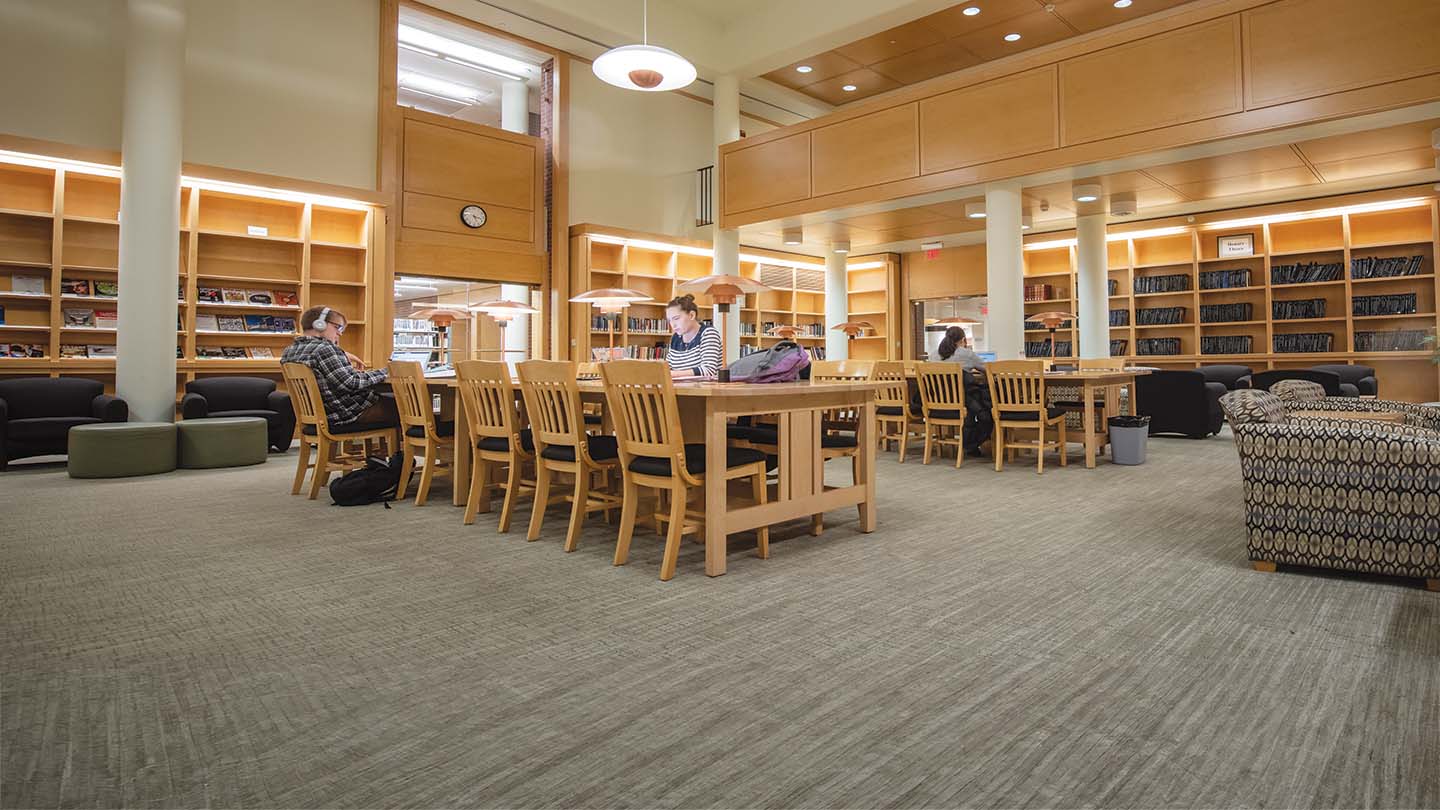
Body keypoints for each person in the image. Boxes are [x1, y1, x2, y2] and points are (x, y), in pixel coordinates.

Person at [281, 305, 398, 428]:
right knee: (408, 407)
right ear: (319, 324)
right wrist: (387, 371)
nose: (340, 334)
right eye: (337, 327)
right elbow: (350, 383)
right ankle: (403, 447)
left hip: (321, 414)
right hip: (346, 414)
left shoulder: (289, 351)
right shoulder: (325, 349)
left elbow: (340, 378)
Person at [664, 294, 722, 379]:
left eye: (676, 318)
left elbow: (708, 371)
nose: (673, 325)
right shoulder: (675, 338)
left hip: (704, 390)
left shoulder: (708, 333)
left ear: (692, 315)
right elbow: (667, 368)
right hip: (679, 390)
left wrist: (671, 374)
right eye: (670, 320)